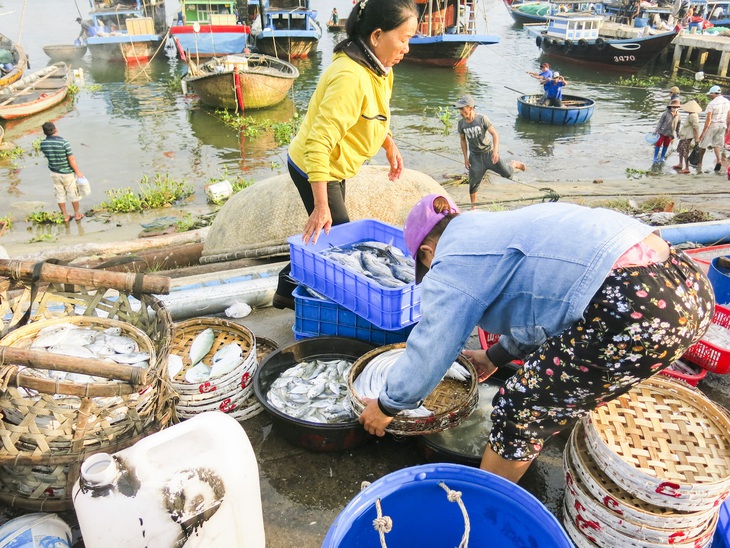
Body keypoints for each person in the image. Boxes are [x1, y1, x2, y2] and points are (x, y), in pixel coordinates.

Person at [359, 194, 714, 483]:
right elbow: (552, 307)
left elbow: (432, 343)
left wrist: (390, 404)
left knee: (521, 408)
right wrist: (496, 355)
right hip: (686, 286)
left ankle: (487, 505)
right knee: (551, 388)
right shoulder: (491, 227)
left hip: (635, 305)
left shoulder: (452, 258)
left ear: (425, 253)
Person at [272, 0, 418, 310]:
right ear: (377, 36)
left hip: (336, 167)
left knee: (334, 237)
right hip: (314, 164)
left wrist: (388, 143)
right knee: (337, 240)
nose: (407, 48)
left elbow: (374, 114)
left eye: (410, 39)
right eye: (403, 39)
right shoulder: (350, 77)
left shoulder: (381, 68)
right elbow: (318, 143)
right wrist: (321, 205)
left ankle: (288, 288)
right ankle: (289, 289)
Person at [454, 94, 526, 207]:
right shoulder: (461, 123)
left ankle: (514, 164)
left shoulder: (482, 119)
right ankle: (474, 206)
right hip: (475, 157)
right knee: (473, 183)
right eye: (459, 109)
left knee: (507, 174)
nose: (460, 111)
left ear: (470, 108)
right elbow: (463, 141)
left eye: (462, 109)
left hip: (489, 154)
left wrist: (495, 152)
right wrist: (465, 158)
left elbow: (495, 134)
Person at [39, 122, 85, 222]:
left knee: (60, 195)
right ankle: (77, 214)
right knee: (73, 193)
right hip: (67, 172)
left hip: (54, 173)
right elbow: (71, 159)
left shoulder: (43, 144)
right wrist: (78, 171)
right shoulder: (64, 142)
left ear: (44, 132)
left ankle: (65, 216)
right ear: (56, 130)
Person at [697, 85, 730, 173]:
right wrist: (728, 127)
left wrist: (703, 132)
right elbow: (728, 116)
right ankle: (719, 160)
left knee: (702, 144)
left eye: (710, 95)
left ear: (713, 94)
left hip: (713, 125)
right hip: (722, 125)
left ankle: (700, 163)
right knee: (717, 144)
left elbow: (708, 119)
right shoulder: (727, 102)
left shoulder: (712, 104)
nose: (709, 96)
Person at [673, 99, 701, 173]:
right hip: (684, 135)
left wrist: (697, 138)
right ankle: (680, 163)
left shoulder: (693, 116)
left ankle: (687, 168)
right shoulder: (691, 115)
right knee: (681, 150)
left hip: (687, 136)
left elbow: (696, 127)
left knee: (685, 151)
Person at [653, 98, 681, 163]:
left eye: (677, 107)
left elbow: (678, 124)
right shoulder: (665, 113)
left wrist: (677, 132)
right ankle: (655, 157)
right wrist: (656, 130)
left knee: (666, 145)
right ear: (670, 107)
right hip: (662, 132)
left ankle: (662, 157)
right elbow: (660, 122)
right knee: (658, 144)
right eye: (674, 107)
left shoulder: (678, 115)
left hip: (670, 133)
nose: (675, 108)